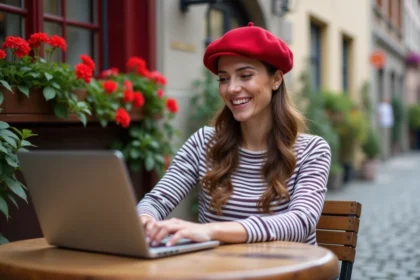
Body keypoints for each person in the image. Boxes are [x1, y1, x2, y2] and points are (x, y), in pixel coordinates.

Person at [136, 22, 331, 247]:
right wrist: (146, 221)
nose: (231, 88)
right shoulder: (204, 142)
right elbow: (156, 201)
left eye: (245, 75)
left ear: (276, 79)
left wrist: (210, 231)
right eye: (224, 78)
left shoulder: (312, 150)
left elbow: (300, 223)